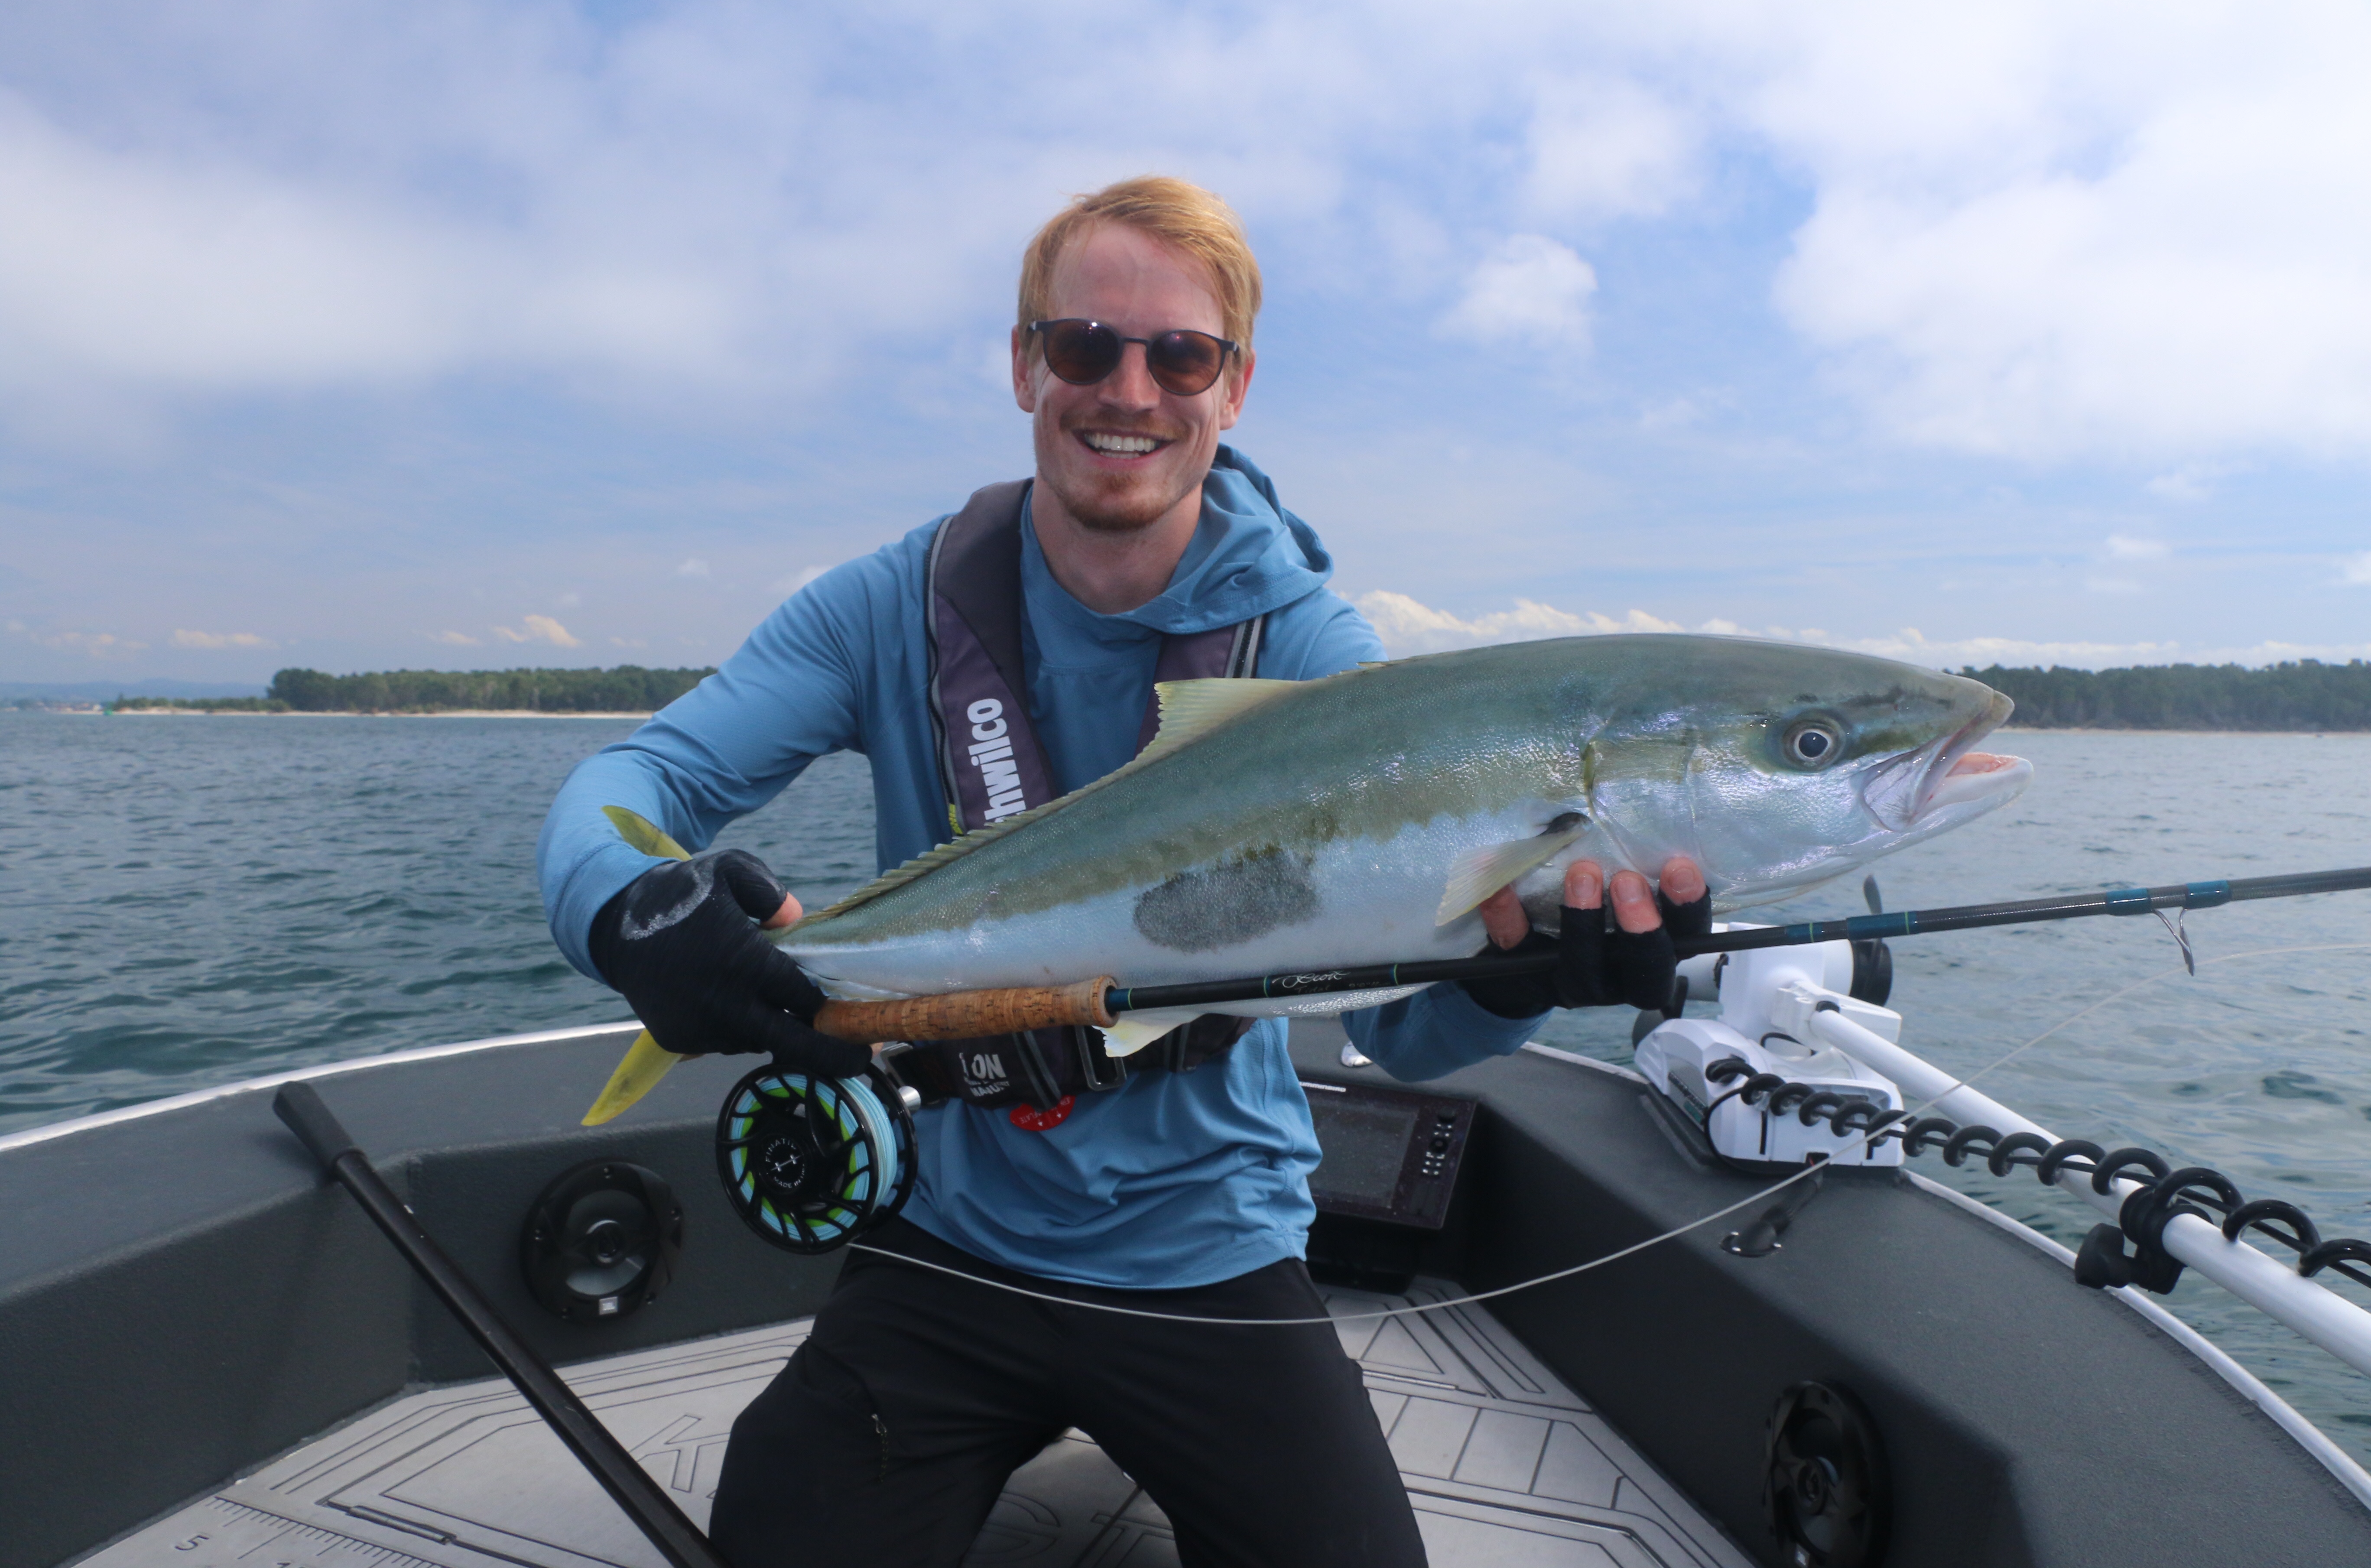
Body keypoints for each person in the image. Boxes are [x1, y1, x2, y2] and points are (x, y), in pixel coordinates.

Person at [537, 176, 1706, 1568]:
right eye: (1086, 346)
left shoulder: (1321, 666)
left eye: (1181, 355)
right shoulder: (886, 606)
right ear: (1027, 363)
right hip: (947, 1230)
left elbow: (1405, 1029)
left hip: (1206, 1245)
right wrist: (628, 911)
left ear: (1236, 385)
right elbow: (631, 783)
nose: (1129, 389)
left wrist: (1525, 980)